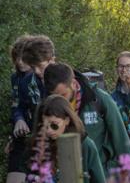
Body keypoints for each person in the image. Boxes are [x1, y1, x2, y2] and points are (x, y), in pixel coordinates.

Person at [43, 62, 130, 173]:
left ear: (73, 83)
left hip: (101, 172)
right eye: (55, 96)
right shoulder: (48, 106)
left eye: (63, 95)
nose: (61, 101)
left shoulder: (99, 99)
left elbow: (122, 141)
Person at [29, 95, 105, 183]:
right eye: (44, 126)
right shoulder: (40, 144)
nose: (48, 130)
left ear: (67, 120)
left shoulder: (85, 145)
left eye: (54, 124)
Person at [6, 35, 34, 183]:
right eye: (17, 57)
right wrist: (18, 120)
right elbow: (16, 105)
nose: (20, 62)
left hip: (40, 139)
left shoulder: (41, 77)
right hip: (21, 137)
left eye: (24, 57)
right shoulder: (16, 78)